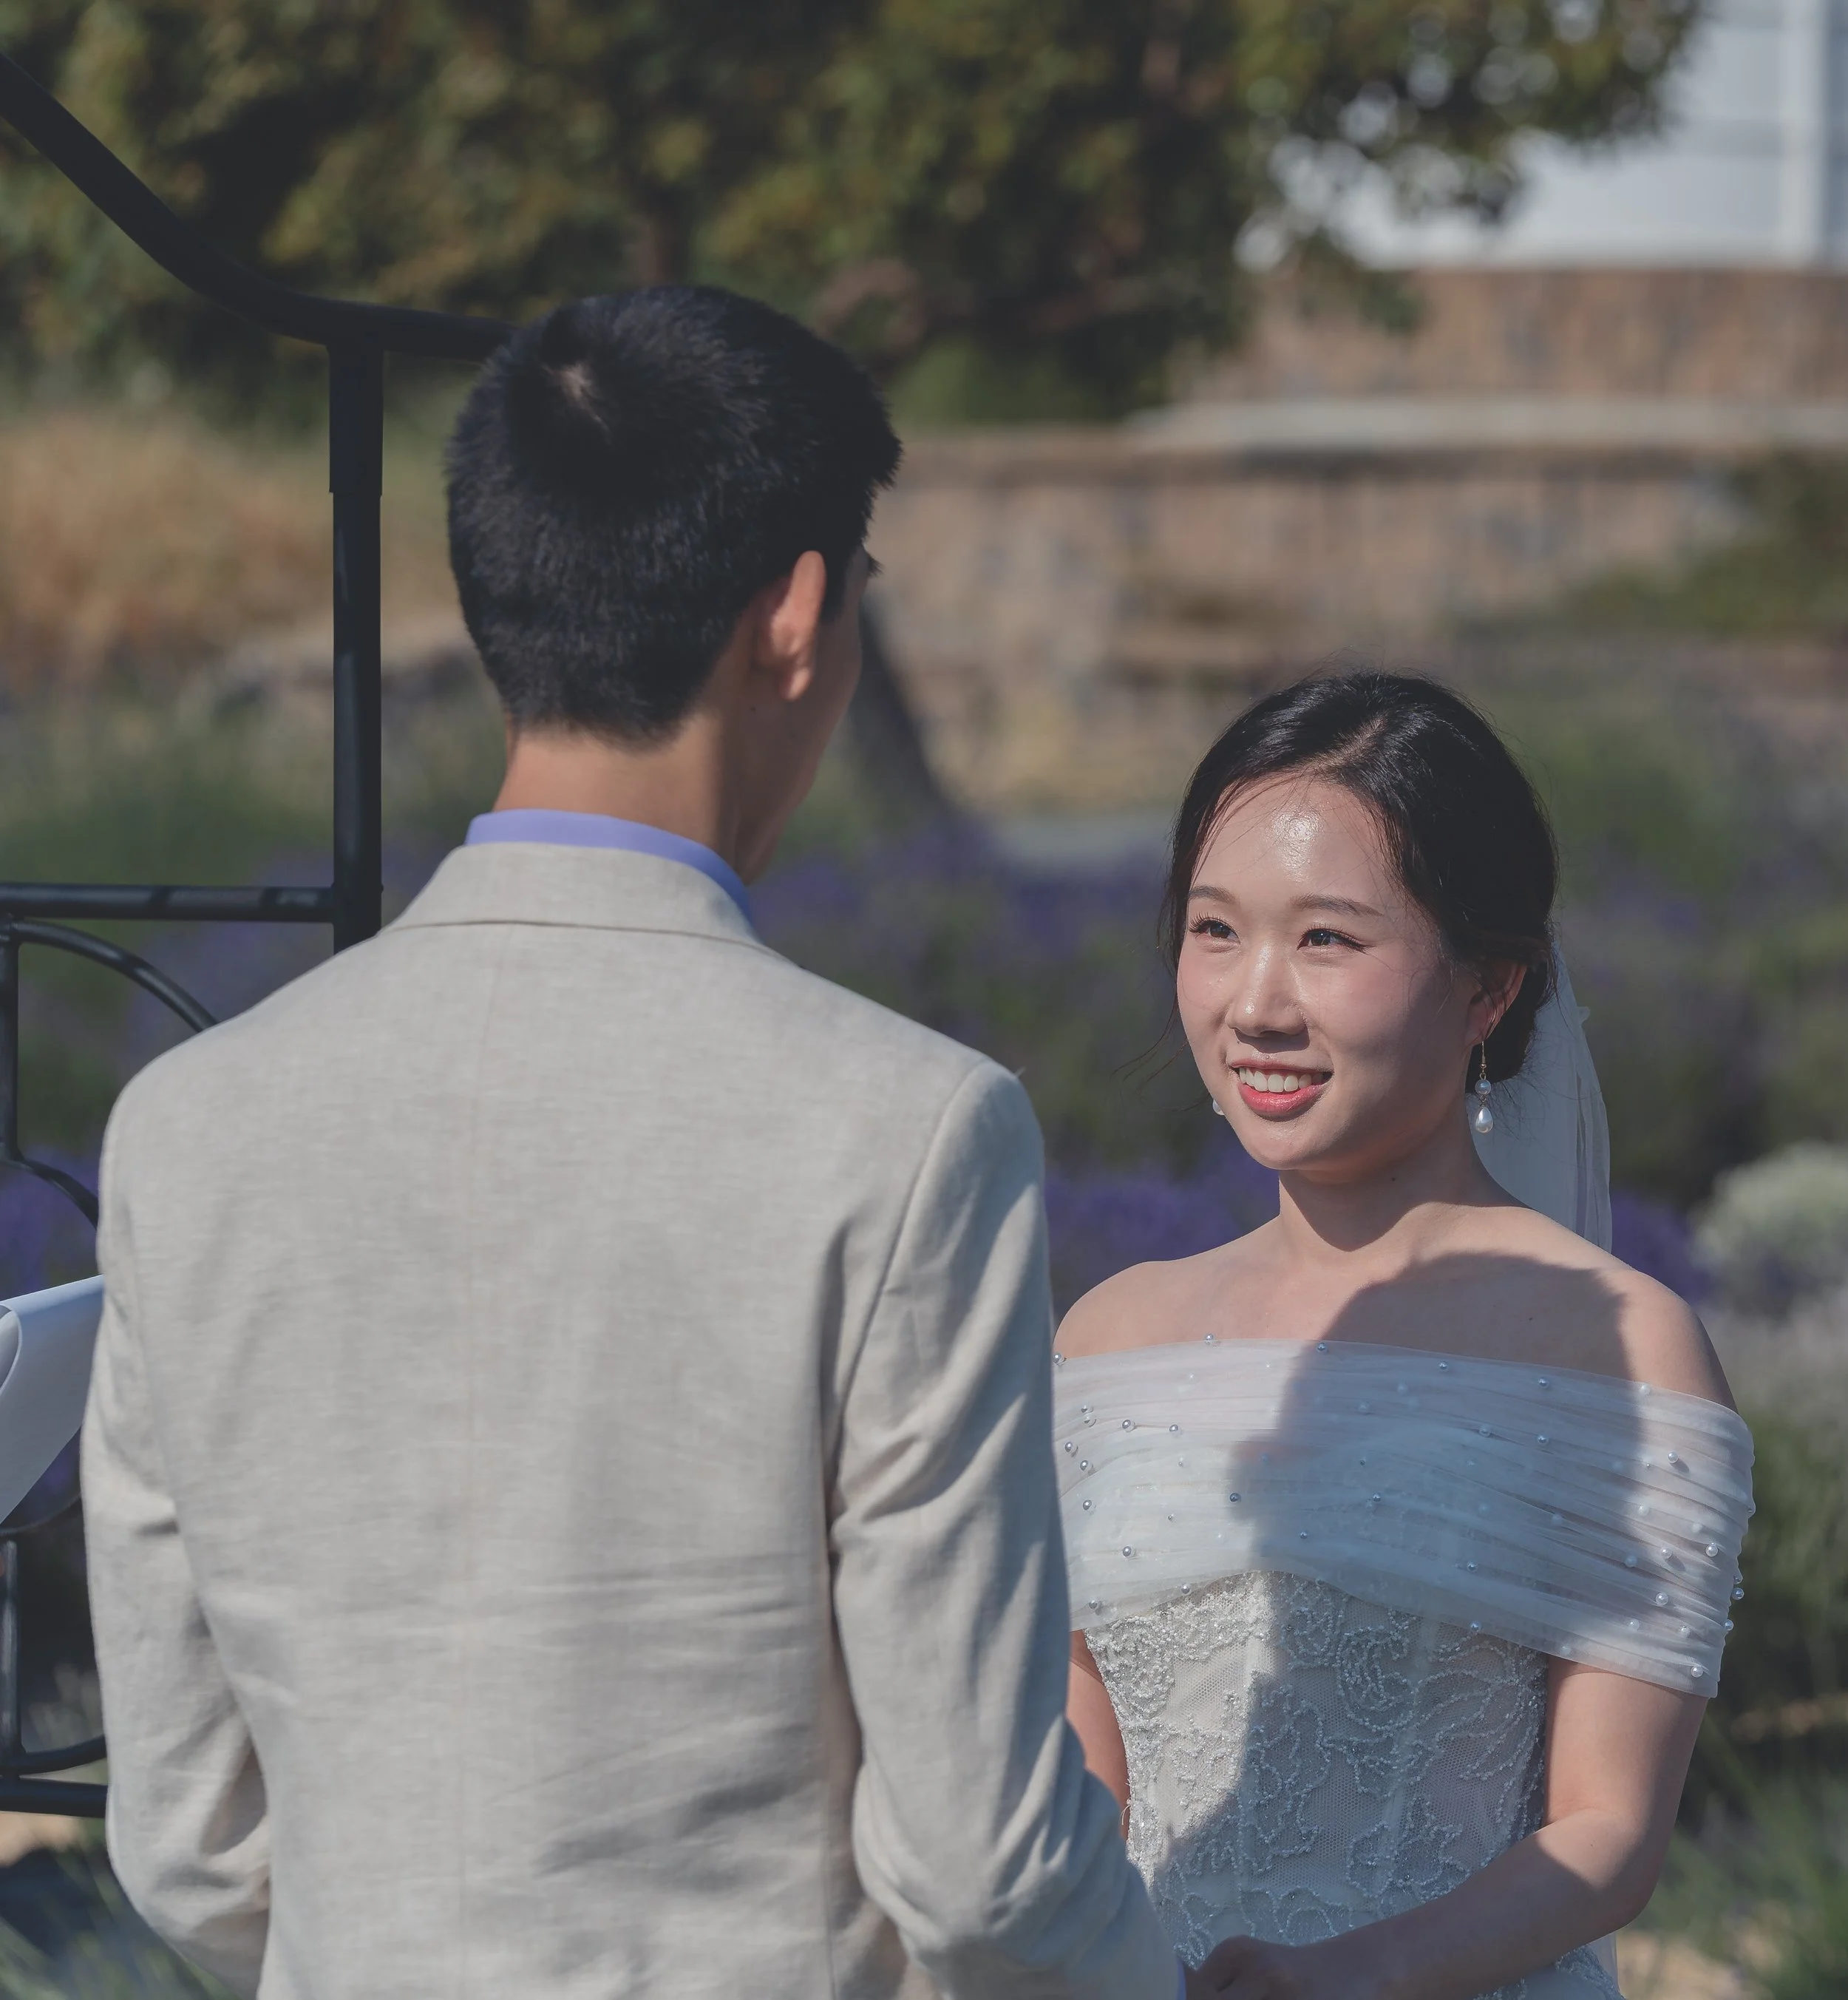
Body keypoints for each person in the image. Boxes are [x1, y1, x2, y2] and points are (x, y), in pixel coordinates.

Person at [81, 287, 1186, 2000]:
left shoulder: (192, 1122)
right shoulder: (903, 1130)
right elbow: (976, 1865)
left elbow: (185, 1841)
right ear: (800, 617)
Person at [1056, 673, 1754, 2000]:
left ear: (1491, 986)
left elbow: (1607, 1832)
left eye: (1327, 941)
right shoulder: (1105, 1337)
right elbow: (1083, 1780)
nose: (1257, 1003)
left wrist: (1353, 1976)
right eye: (1216, 931)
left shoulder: (1616, 1345)